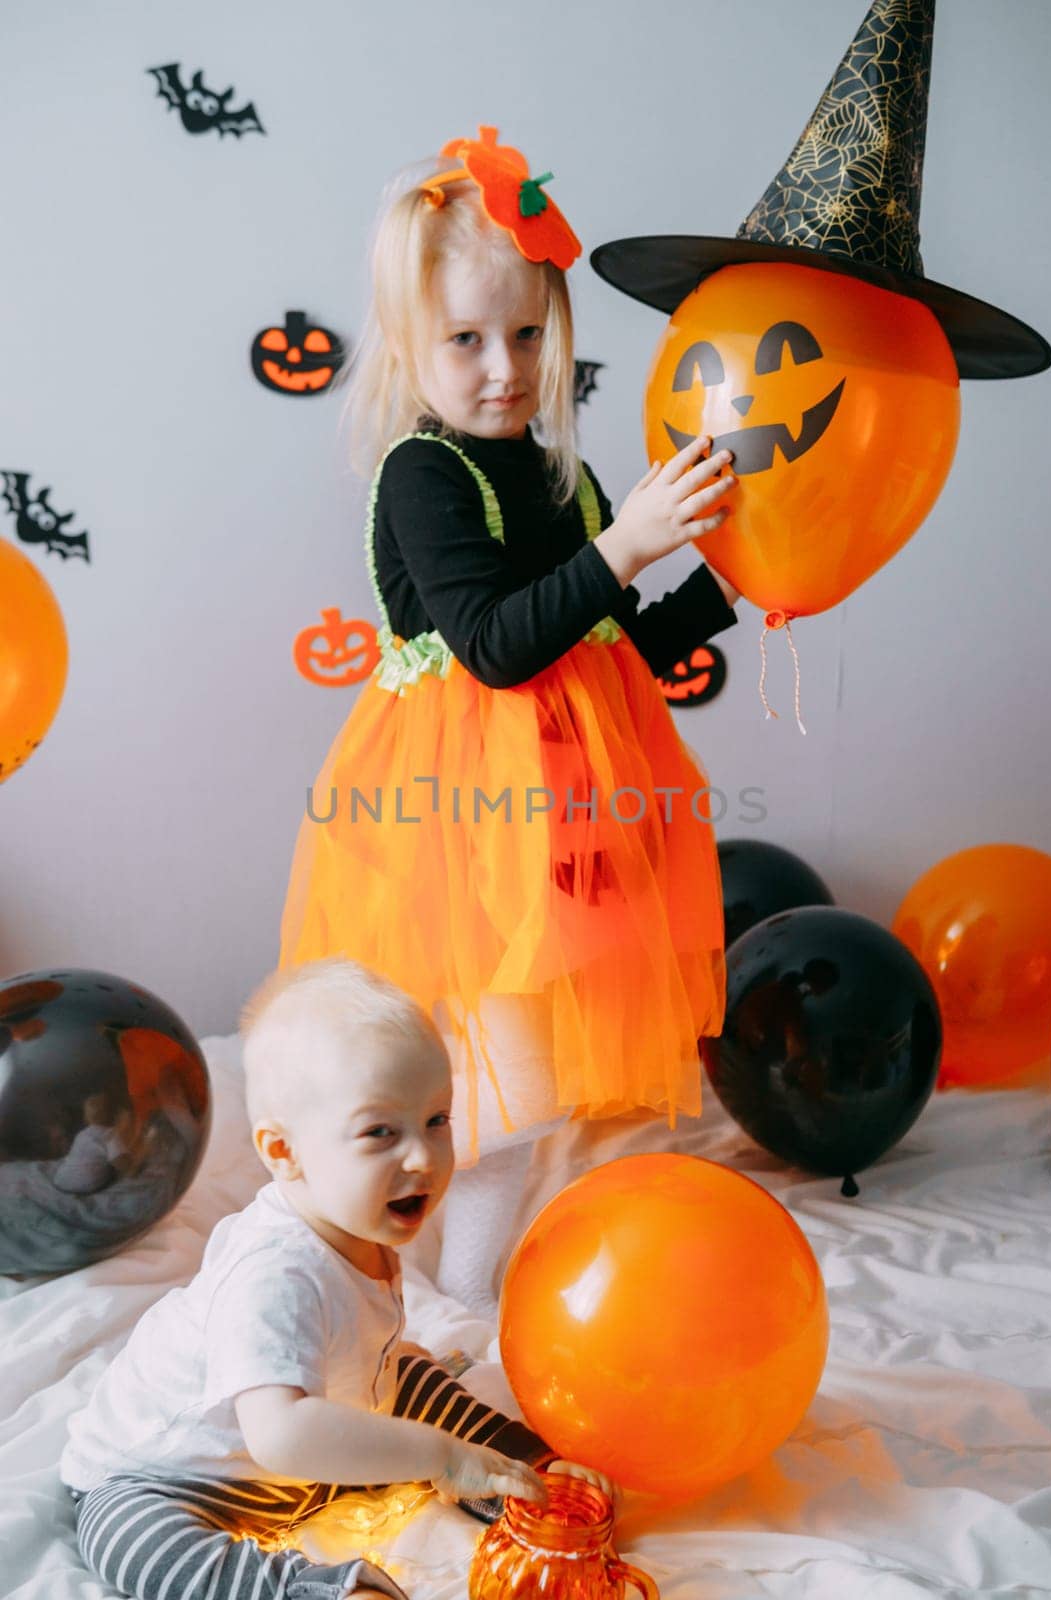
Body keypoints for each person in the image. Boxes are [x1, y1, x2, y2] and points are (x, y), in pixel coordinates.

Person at [279, 125, 741, 1314]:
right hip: (457, 824)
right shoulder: (424, 474)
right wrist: (624, 542)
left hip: (567, 826)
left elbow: (611, 649)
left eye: (527, 333)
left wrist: (720, 588)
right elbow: (494, 647)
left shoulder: (566, 478)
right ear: (408, 343)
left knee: (539, 1094)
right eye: (466, 340)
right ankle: (438, 1296)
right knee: (492, 1090)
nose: (503, 368)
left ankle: (455, 1290)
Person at [60, 959, 609, 1600]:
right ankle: (314, 1591)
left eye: (437, 1121)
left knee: (409, 1374)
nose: (423, 1157)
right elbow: (281, 1435)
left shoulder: (361, 1230)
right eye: (380, 1132)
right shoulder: (276, 1272)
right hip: (164, 1479)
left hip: (314, 1439)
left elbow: (370, 1366)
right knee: (137, 1547)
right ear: (284, 1153)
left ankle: (514, 1465)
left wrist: (467, 1447)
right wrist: (438, 1457)